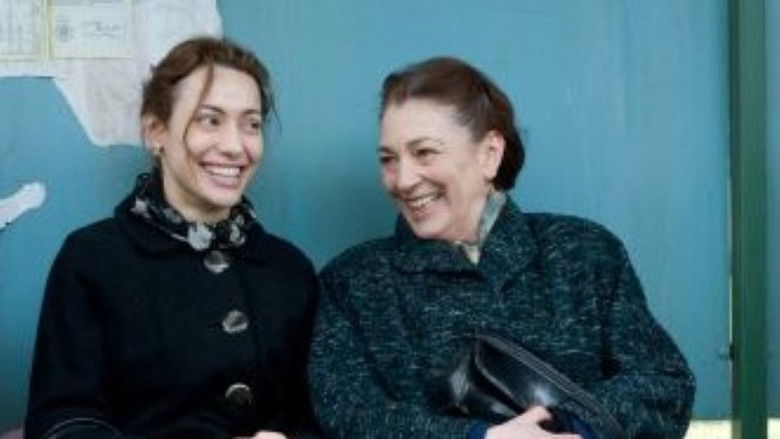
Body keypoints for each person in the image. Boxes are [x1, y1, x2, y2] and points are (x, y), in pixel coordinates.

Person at [308, 57, 695, 439]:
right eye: (388, 159)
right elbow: (347, 412)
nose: (403, 179)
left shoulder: (584, 252)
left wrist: (574, 428)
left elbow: (664, 382)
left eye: (424, 152)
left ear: (490, 153)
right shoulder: (353, 282)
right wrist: (479, 437)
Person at [25, 37, 319, 439]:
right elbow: (64, 419)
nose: (235, 146)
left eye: (251, 124)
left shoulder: (290, 269)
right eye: (210, 120)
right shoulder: (92, 259)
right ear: (155, 131)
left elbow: (318, 410)